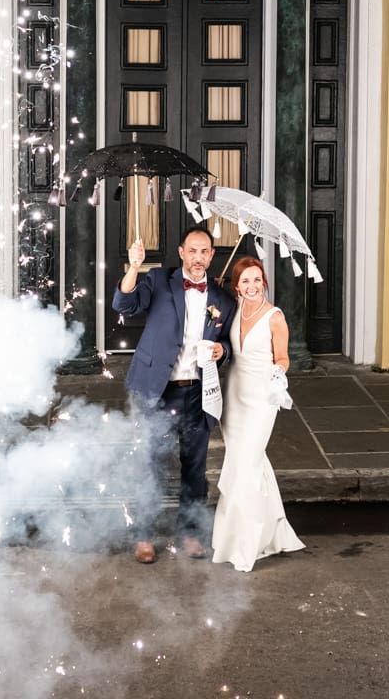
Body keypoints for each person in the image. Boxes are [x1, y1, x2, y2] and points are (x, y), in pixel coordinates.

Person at [112, 223, 237, 564]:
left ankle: (190, 533)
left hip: (198, 393)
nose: (198, 258)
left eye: (204, 252)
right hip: (159, 390)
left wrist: (220, 352)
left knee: (195, 468)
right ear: (181, 252)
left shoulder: (223, 299)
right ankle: (143, 535)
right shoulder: (158, 281)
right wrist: (134, 267)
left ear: (212, 256)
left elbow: (228, 343)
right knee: (152, 464)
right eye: (192, 250)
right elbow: (124, 304)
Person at [211, 256, 304, 572]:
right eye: (245, 281)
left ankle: (247, 543)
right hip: (234, 394)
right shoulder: (234, 310)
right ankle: (272, 533)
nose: (252, 286)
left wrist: (278, 378)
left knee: (249, 462)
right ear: (237, 286)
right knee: (243, 462)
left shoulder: (274, 317)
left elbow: (283, 358)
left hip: (261, 397)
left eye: (256, 279)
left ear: (264, 281)